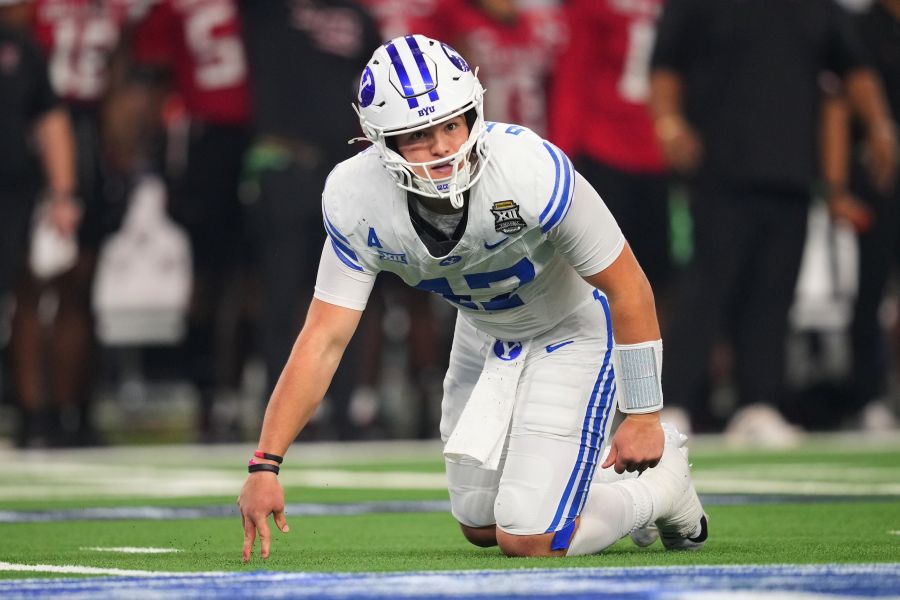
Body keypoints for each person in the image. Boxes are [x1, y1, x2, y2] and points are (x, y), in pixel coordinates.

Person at [238, 35, 707, 561]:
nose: (442, 147)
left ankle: (661, 486)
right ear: (380, 141)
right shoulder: (356, 198)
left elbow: (628, 286)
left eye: (451, 124)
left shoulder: (527, 169)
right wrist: (265, 464)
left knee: (528, 538)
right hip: (484, 333)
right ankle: (601, 490)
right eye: (419, 134)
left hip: (570, 327)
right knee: (481, 523)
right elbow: (324, 338)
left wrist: (643, 413)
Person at [649, 0, 896, 440]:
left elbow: (853, 67)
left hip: (792, 170)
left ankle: (758, 404)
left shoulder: (815, 6)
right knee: (704, 291)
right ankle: (675, 402)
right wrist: (668, 122)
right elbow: (665, 62)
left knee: (774, 295)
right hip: (717, 167)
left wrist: (879, 125)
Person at [548, 0, 674, 325]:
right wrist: (561, 160)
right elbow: (573, 77)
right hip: (607, 152)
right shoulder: (594, 8)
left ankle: (656, 351)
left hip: (661, 157)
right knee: (599, 271)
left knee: (663, 274)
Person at [0, 0, 79, 447]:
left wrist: (63, 193)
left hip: (10, 192)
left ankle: (27, 412)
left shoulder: (19, 48)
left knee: (11, 298)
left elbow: (50, 117)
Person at [818, 0, 899, 430]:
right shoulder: (860, 28)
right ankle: (868, 395)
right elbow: (837, 107)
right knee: (871, 289)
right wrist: (836, 188)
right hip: (879, 180)